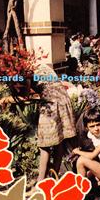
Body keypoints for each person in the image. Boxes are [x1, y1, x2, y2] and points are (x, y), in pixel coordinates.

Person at [31, 64, 77, 192]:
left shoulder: (27, 72)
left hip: (53, 103)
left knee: (45, 146)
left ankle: (40, 183)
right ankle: (53, 177)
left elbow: (26, 94)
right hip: (61, 100)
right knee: (59, 141)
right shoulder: (43, 66)